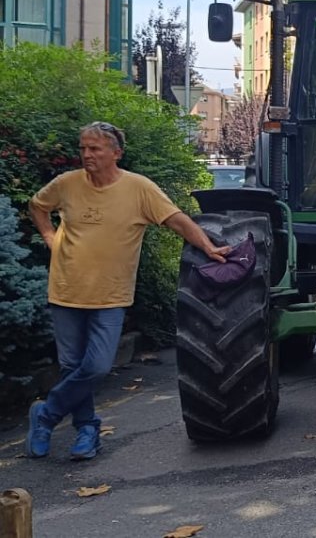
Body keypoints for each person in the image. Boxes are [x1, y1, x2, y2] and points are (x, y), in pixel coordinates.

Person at [27, 122, 232, 461]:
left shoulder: (139, 189)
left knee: (95, 367)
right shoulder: (66, 184)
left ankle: (46, 414)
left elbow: (176, 219)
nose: (87, 155)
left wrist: (207, 246)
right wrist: (51, 238)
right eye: (83, 148)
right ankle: (87, 430)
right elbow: (38, 206)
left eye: (95, 149)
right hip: (65, 291)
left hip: (110, 296)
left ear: (116, 153)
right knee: (71, 367)